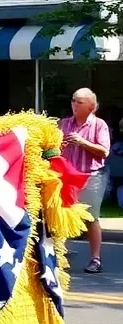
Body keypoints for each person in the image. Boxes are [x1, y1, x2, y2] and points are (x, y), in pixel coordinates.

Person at [60, 88, 111, 274]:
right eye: (73, 100)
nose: (74, 104)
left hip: (91, 176)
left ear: (91, 106)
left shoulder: (99, 125)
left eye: (79, 102)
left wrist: (82, 142)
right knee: (62, 214)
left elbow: (104, 151)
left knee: (91, 217)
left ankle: (95, 259)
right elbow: (54, 147)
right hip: (67, 175)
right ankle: (60, 254)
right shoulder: (64, 124)